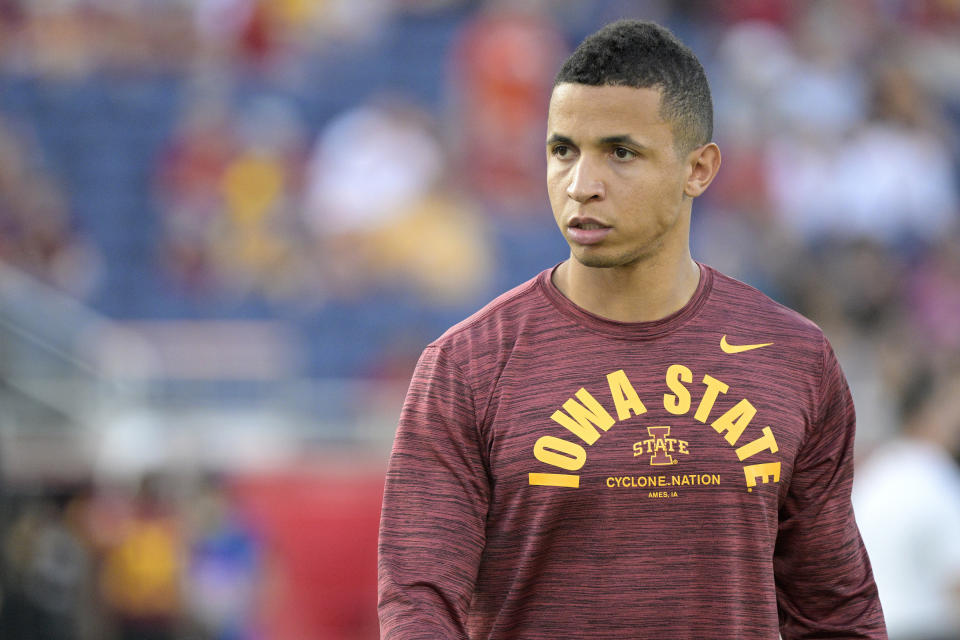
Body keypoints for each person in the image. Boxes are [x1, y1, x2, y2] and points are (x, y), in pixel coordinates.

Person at [378, 19, 887, 639]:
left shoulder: (793, 358)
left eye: (621, 153)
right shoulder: (466, 365)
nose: (581, 186)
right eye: (563, 150)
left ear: (698, 169)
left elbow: (835, 609)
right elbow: (419, 602)